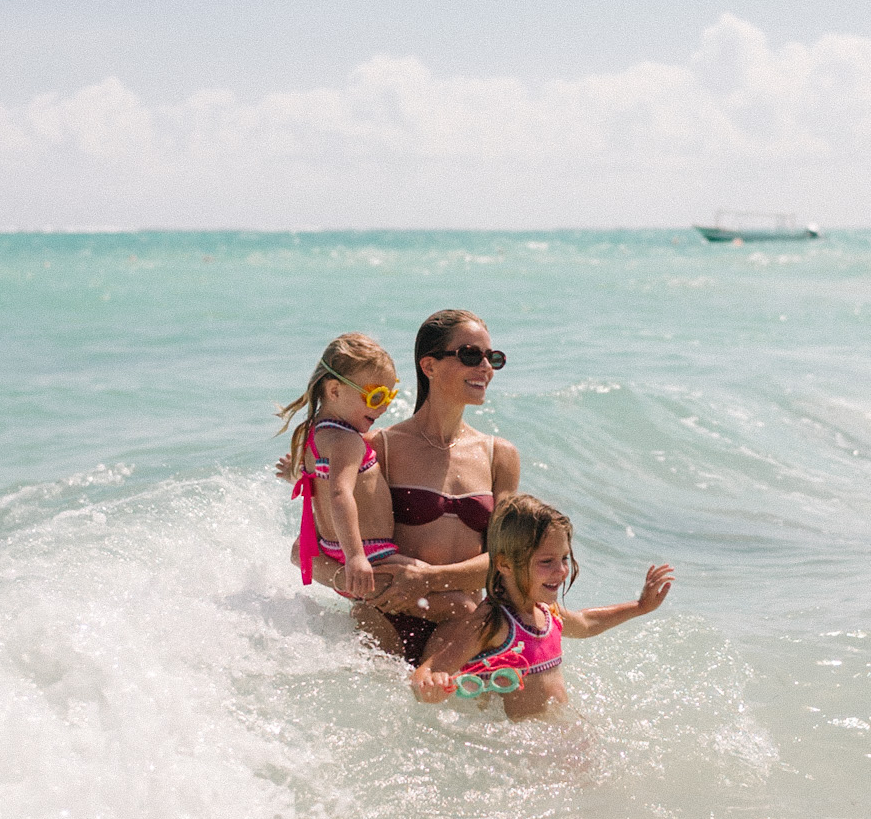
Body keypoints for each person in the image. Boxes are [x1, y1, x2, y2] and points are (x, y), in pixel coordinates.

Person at [282, 308, 520, 662]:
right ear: (429, 366)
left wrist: (427, 581)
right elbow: (306, 551)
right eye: (471, 355)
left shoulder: (499, 455)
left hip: (460, 629)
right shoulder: (380, 448)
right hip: (382, 623)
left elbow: (507, 562)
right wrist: (357, 584)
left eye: (493, 358)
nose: (485, 367)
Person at [410, 492, 673, 721]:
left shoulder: (547, 612)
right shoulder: (493, 621)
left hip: (554, 736)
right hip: (521, 749)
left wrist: (640, 607)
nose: (560, 570)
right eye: (546, 561)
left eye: (564, 558)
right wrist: (431, 684)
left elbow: (585, 623)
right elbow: (427, 671)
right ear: (505, 564)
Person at [277, 334, 400, 602]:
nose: (385, 407)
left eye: (390, 395)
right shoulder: (347, 441)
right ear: (334, 391)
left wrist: (294, 474)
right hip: (370, 554)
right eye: (376, 396)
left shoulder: (313, 435)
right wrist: (356, 556)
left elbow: (315, 478)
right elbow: (339, 494)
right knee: (442, 589)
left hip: (332, 550)